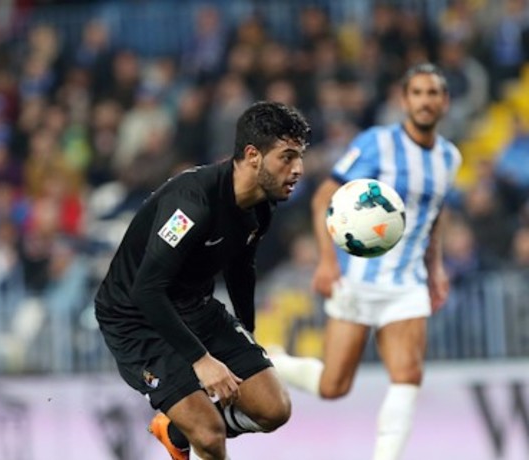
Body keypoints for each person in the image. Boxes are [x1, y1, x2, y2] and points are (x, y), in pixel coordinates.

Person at [95, 101, 310, 460]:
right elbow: (146, 289)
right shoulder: (192, 202)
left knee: (275, 409)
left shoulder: (261, 206)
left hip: (194, 306)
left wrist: (248, 336)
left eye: (300, 157)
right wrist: (202, 360)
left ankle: (175, 429)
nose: (298, 169)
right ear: (253, 155)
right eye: (287, 157)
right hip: (135, 318)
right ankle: (189, 429)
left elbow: (240, 269)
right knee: (209, 436)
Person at [269, 63, 461, 460]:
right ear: (404, 100)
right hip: (359, 277)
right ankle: (272, 360)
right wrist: (327, 262)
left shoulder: (449, 157)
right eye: (417, 93)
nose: (425, 101)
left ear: (445, 102)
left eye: (433, 93)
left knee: (408, 376)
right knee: (333, 386)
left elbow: (435, 213)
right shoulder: (377, 143)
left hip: (407, 283)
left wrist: (436, 268)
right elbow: (323, 196)